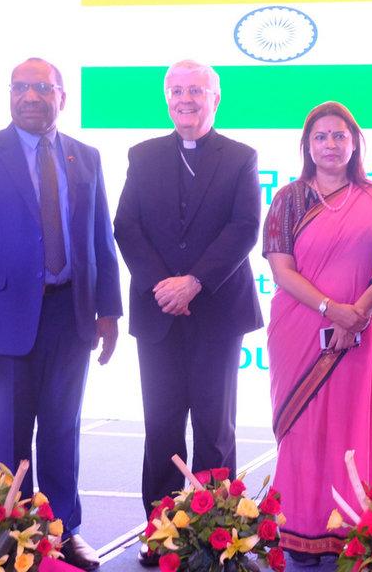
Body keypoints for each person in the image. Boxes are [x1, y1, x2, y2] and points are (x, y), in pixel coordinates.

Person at [0, 58, 123, 570]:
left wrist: (109, 311)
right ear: (9, 94)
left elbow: (100, 239)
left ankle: (63, 531)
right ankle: (5, 533)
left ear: (62, 97)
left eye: (42, 88)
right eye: (21, 87)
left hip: (71, 315)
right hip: (2, 321)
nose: (31, 96)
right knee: (7, 429)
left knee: (62, 429)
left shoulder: (85, 157)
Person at [113, 60, 263, 566]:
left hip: (217, 311)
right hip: (158, 312)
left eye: (196, 90)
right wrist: (162, 285)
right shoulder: (143, 154)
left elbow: (244, 227)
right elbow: (126, 226)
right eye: (176, 90)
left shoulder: (241, 156)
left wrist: (195, 282)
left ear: (215, 98)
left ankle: (219, 536)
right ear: (166, 98)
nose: (185, 99)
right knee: (161, 427)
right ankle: (162, 534)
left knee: (215, 430)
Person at [263, 101, 372, 565]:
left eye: (339, 136)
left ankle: (354, 530)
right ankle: (301, 528)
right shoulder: (289, 198)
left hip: (360, 334)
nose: (330, 145)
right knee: (304, 430)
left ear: (354, 143)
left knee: (353, 426)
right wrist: (332, 309)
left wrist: (357, 315)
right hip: (301, 331)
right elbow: (281, 269)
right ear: (308, 146)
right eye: (321, 137)